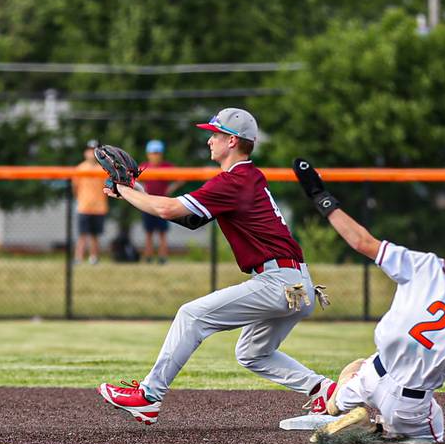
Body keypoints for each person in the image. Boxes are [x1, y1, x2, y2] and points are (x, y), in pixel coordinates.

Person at [95, 108, 335, 425]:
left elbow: (167, 209)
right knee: (252, 353)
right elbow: (190, 218)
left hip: (279, 281)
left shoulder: (234, 181)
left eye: (216, 134)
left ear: (232, 141)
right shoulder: (245, 179)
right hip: (298, 284)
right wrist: (134, 192)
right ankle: (325, 391)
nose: (210, 140)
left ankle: (148, 396)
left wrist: (124, 189)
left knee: (192, 315)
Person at [293, 158, 445, 444]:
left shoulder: (424, 265)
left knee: (357, 368)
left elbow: (362, 242)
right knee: (432, 434)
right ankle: (384, 429)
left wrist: (320, 197)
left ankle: (337, 407)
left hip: (372, 375)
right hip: (409, 404)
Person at [139, 139, 183, 264]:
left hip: (163, 203)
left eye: (158, 153)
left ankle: (163, 258)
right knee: (148, 233)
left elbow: (181, 178)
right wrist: (142, 189)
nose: (155, 155)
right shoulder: (143, 166)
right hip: (148, 204)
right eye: (153, 153)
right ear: (148, 154)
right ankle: (148, 257)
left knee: (162, 233)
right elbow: (134, 180)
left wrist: (171, 188)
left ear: (161, 154)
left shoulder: (166, 167)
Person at [73, 139, 108, 265]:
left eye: (94, 151)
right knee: (82, 235)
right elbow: (75, 188)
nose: (91, 153)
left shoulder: (104, 169)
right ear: (85, 153)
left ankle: (94, 258)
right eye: (89, 150)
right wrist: (81, 200)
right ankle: (78, 258)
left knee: (95, 235)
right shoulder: (80, 168)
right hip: (84, 206)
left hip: (99, 207)